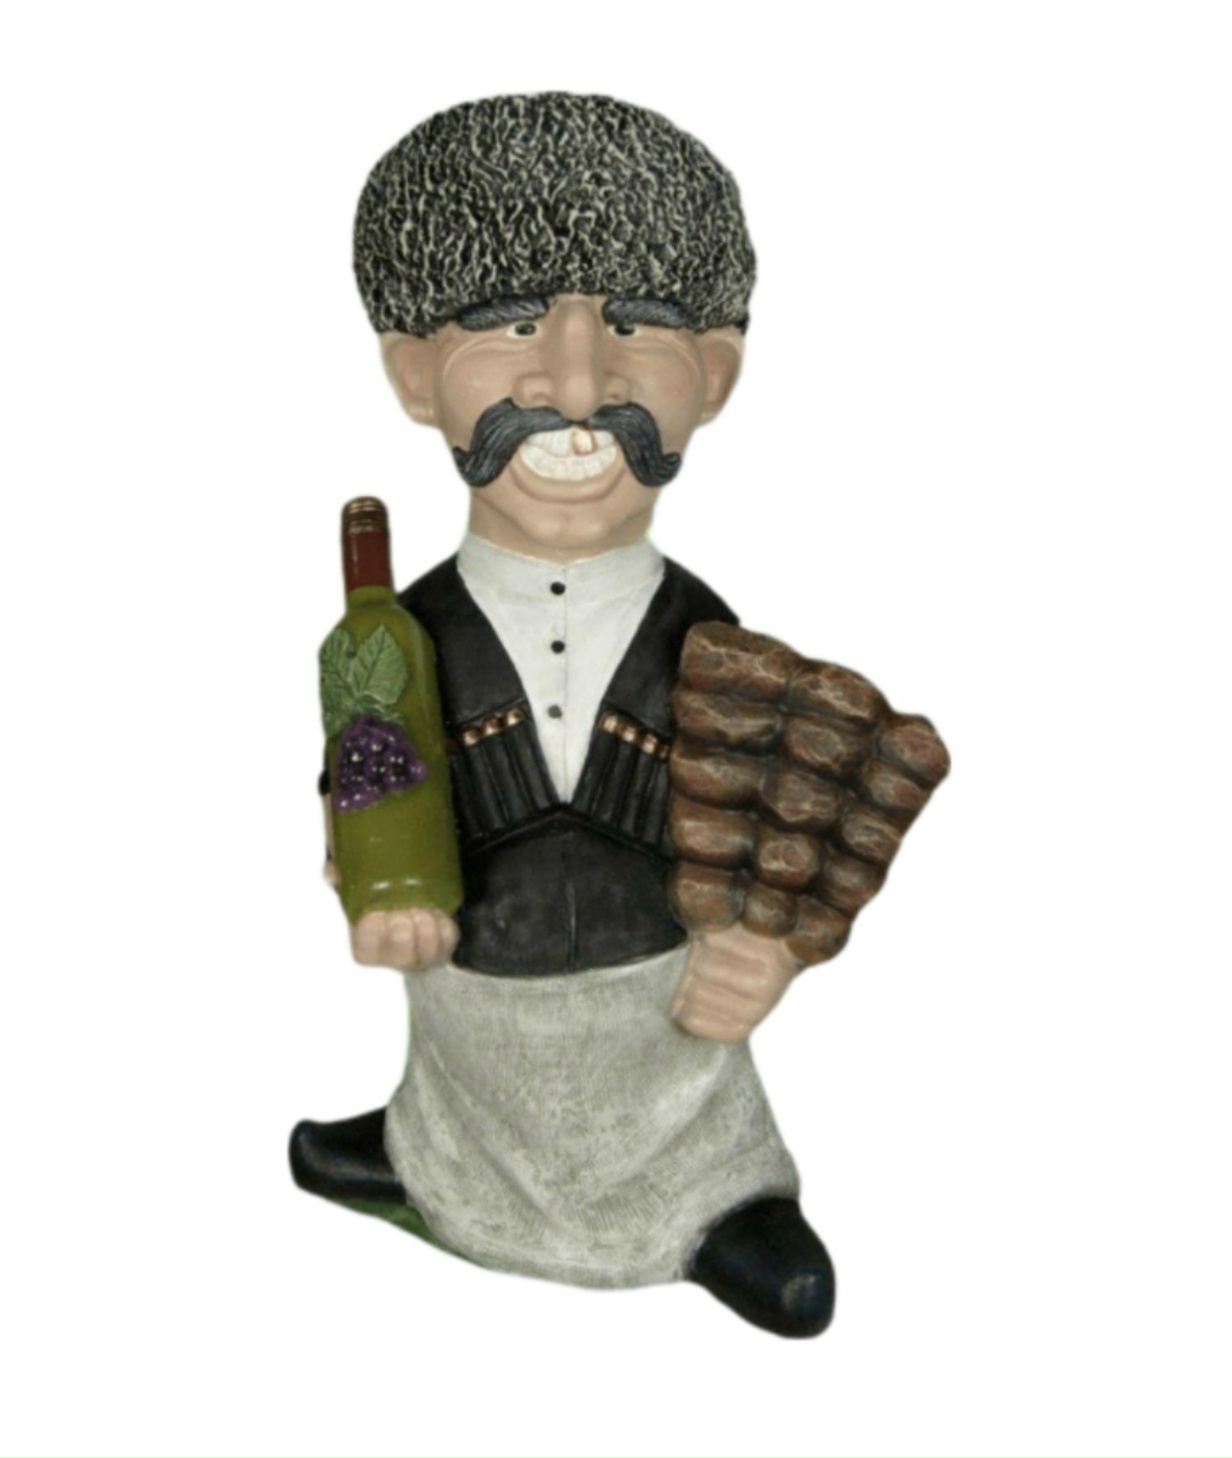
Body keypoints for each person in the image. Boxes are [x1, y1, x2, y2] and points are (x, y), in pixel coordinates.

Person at [290, 93, 835, 1338]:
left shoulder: (711, 639)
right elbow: (363, 772)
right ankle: (428, 1155)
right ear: (415, 374)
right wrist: (365, 873)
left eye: (633, 327)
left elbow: (782, 820)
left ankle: (715, 1208)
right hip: (468, 1009)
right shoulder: (399, 636)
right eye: (508, 323)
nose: (577, 386)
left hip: (666, 1032)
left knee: (683, 1110)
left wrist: (769, 944)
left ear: (713, 375)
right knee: (463, 1078)